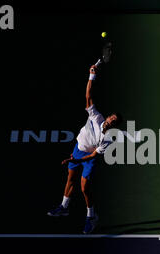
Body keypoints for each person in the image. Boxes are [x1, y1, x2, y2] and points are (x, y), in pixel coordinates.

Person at [47, 61, 122, 234]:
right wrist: (91, 76)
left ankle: (91, 216)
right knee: (70, 179)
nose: (110, 120)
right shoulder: (96, 117)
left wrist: (77, 159)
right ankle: (64, 207)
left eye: (114, 121)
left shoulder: (108, 138)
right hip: (78, 149)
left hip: (88, 159)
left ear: (115, 125)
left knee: (84, 188)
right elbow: (88, 96)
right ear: (108, 117)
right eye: (111, 117)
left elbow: (94, 155)